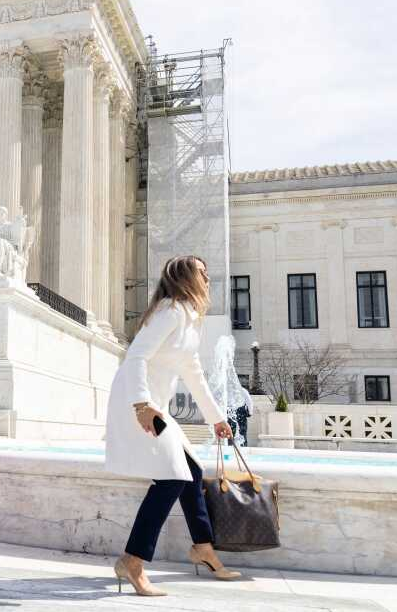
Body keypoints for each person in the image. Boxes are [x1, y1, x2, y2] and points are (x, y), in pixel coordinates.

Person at [105, 256, 241, 597]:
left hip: (156, 408)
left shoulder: (189, 320)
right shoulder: (171, 310)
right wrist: (141, 404)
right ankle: (132, 561)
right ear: (184, 278)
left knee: (191, 470)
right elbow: (136, 356)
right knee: (173, 477)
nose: (207, 276)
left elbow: (194, 375)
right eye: (201, 271)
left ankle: (203, 547)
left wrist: (217, 419)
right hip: (138, 405)